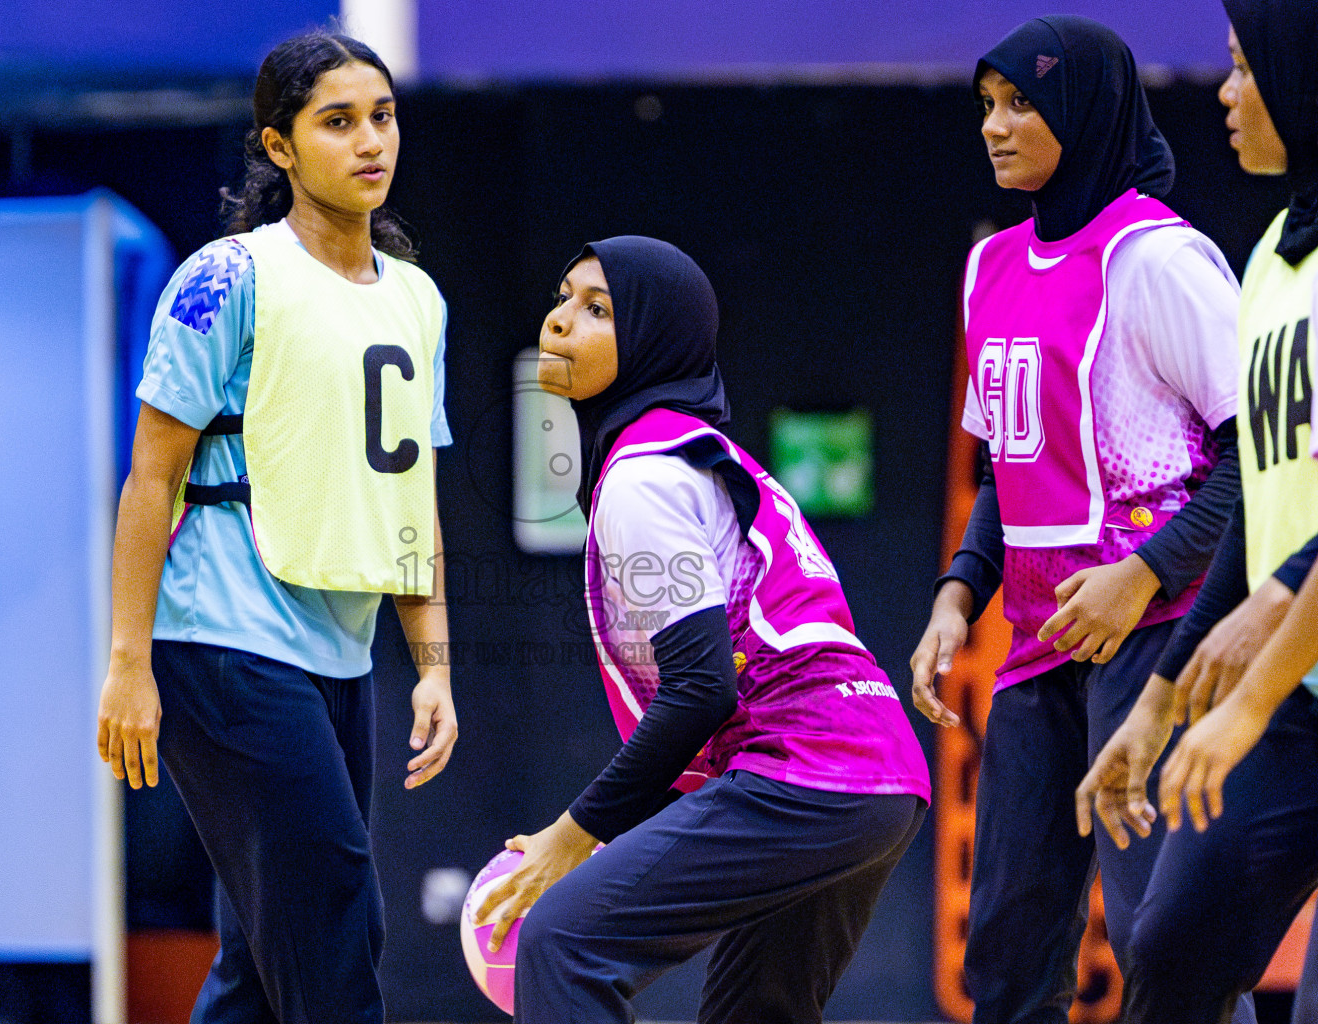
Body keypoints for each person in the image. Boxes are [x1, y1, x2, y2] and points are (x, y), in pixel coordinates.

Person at [93, 31, 458, 1024]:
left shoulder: (418, 301)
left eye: (381, 116)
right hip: (222, 640)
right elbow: (149, 484)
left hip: (340, 654)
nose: (369, 140)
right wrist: (129, 663)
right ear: (281, 146)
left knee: (262, 956)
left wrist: (433, 665)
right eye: (336, 122)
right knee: (339, 915)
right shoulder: (228, 279)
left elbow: (409, 498)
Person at [475, 236, 930, 1024]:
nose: (557, 323)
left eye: (596, 309)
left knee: (559, 941)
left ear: (656, 337)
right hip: (878, 776)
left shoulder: (644, 478)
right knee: (754, 1014)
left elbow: (699, 692)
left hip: (808, 770)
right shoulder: (699, 457)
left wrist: (572, 835)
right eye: (561, 299)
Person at [906, 16, 1247, 1024]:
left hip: (1159, 638)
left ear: (1086, 112)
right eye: (986, 107)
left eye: (1021, 104)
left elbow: (1260, 463)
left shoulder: (1160, 261)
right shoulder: (989, 268)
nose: (995, 128)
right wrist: (955, 597)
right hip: (1040, 644)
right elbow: (1010, 471)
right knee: (1006, 946)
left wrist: (1143, 571)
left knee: (1162, 939)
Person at [1075, 3, 1318, 1019]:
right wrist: (1158, 701)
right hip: (1297, 690)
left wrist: (1254, 680)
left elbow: (1282, 566)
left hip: (1285, 673)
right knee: (1167, 946)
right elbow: (1261, 511)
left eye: (1243, 67)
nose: (1224, 93)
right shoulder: (1270, 255)